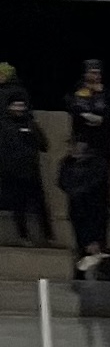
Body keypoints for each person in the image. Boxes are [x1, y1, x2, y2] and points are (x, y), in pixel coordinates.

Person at [0, 98, 52, 243]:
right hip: (13, 172)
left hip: (32, 171)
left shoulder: (31, 123)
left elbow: (44, 145)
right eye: (15, 105)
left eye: (21, 105)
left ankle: (48, 236)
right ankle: (23, 236)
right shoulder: (4, 125)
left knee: (41, 204)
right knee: (18, 205)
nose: (19, 108)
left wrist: (32, 134)